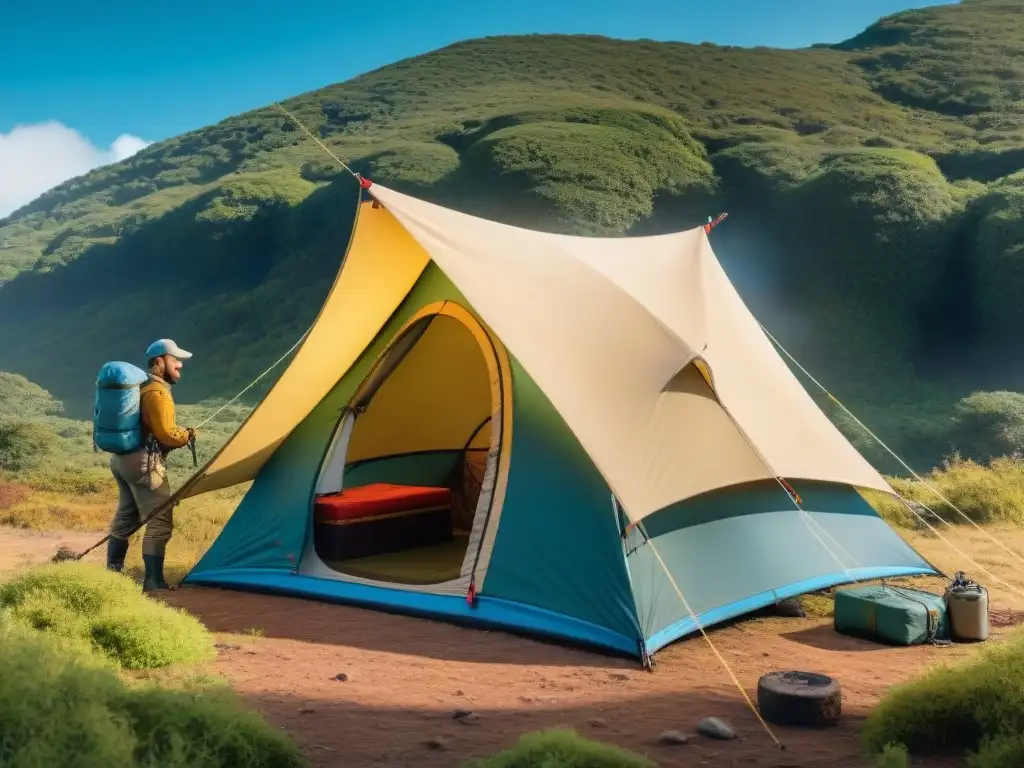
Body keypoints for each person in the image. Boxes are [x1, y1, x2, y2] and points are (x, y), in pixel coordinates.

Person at [105, 339, 196, 591]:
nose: (179, 365)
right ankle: (154, 582)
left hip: (121, 459)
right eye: (175, 360)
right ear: (159, 361)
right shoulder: (157, 392)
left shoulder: (140, 387)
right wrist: (187, 435)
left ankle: (112, 574)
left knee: (126, 517)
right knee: (159, 520)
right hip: (143, 462)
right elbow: (166, 434)